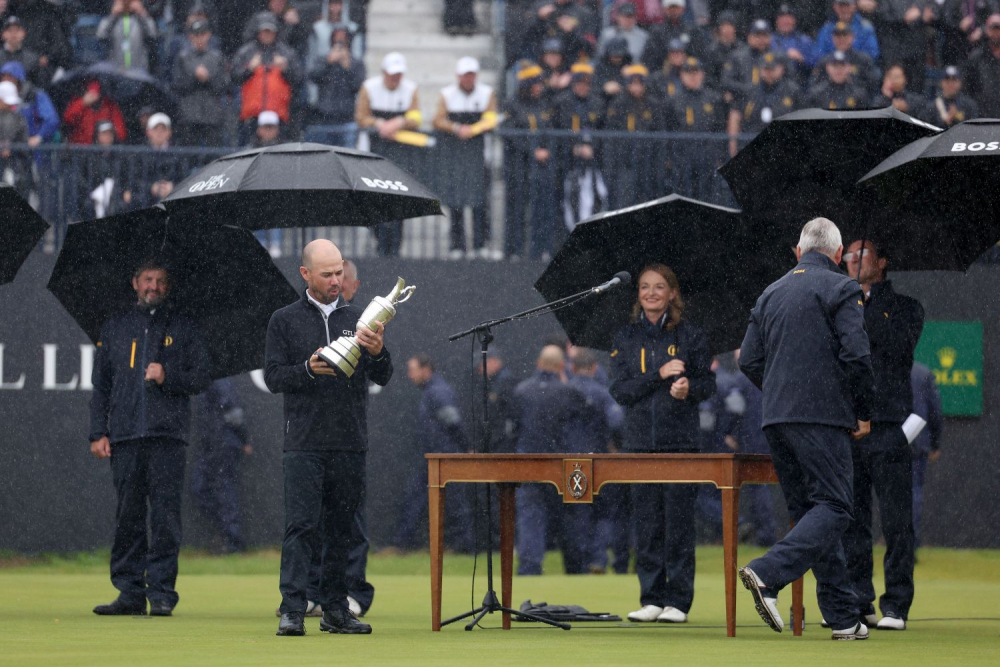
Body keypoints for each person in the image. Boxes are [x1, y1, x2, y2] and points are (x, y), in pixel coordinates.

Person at [737, 217, 875, 640]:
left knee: (812, 515)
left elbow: (747, 360)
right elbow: (856, 356)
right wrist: (863, 410)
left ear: (798, 252)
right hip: (822, 417)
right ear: (837, 255)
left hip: (776, 417)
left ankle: (842, 616)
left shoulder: (770, 292)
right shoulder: (842, 287)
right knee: (835, 508)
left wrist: (781, 389)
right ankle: (766, 572)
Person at [265, 239, 392, 637]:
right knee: (301, 526)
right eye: (327, 274)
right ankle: (293, 608)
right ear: (305, 275)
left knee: (341, 528)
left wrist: (378, 350)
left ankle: (336, 609)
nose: (336, 280)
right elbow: (273, 377)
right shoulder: (283, 320)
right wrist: (307, 368)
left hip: (349, 440)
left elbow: (384, 375)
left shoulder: (360, 317)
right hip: (303, 442)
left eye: (339, 272)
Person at [89, 258, 211, 616]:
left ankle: (160, 593)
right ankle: (128, 592)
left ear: (168, 286)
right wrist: (99, 431)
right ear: (134, 282)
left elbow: (201, 377)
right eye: (147, 279)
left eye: (159, 280)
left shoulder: (184, 326)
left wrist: (166, 375)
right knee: (127, 516)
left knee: (164, 518)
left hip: (167, 437)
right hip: (125, 436)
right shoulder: (114, 327)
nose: (153, 286)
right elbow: (101, 387)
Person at [610, 263, 715, 623]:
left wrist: (688, 390)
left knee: (679, 526)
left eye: (658, 287)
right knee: (647, 524)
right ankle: (651, 598)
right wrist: (657, 375)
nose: (651, 293)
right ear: (638, 294)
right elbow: (621, 392)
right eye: (644, 287)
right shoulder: (625, 337)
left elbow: (707, 385)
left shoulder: (691, 335)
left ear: (672, 292)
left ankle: (678, 602)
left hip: (680, 444)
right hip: (638, 445)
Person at [842, 238, 925, 631]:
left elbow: (893, 349)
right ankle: (859, 600)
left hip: (889, 429)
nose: (853, 260)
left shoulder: (906, 307)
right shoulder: (837, 302)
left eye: (863, 254)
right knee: (852, 522)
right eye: (848, 254)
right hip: (848, 430)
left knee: (896, 522)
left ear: (883, 262)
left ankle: (896, 605)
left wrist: (861, 305)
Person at [512, 345, 587, 574]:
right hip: (561, 465)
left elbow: (514, 428)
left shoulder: (522, 391)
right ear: (561, 366)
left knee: (530, 517)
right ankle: (575, 568)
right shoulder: (568, 392)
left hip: (529, 464)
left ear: (538, 363)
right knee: (570, 518)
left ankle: (530, 566)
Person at [391, 354, 474, 553]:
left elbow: (453, 421)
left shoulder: (438, 391)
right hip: (434, 457)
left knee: (455, 503)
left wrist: (466, 447)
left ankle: (467, 546)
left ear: (425, 369)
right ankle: (404, 543)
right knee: (424, 498)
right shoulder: (432, 391)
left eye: (412, 369)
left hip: (444, 457)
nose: (409, 375)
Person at [355, 51, 420, 257]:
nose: (395, 78)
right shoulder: (369, 88)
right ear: (383, 73)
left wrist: (398, 122)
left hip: (400, 151)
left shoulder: (410, 89)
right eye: (392, 74)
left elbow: (416, 116)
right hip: (375, 150)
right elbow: (361, 117)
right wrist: (380, 124)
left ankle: (394, 247)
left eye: (399, 74)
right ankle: (381, 240)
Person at [567, 348, 626, 574]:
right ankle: (598, 559)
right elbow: (617, 421)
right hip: (599, 460)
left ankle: (579, 563)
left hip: (570, 462)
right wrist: (614, 444)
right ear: (593, 368)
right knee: (603, 512)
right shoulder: (603, 393)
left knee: (578, 513)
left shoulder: (564, 391)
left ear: (572, 368)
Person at [432, 56, 497, 259]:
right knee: (455, 201)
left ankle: (480, 243)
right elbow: (438, 120)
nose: (469, 79)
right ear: (458, 76)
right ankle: (457, 244)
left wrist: (473, 129)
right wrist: (457, 128)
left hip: (479, 157)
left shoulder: (486, 94)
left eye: (472, 75)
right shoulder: (447, 95)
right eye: (465, 75)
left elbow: (491, 118)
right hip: (456, 157)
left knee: (480, 202)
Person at [503, 62, 557, 260]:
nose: (540, 87)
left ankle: (538, 249)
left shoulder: (543, 104)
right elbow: (511, 133)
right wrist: (531, 150)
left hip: (541, 167)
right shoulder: (512, 104)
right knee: (517, 208)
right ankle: (514, 250)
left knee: (540, 208)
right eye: (536, 84)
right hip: (519, 165)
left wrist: (546, 149)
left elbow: (549, 129)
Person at [191, 378, 251, 554]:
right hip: (210, 446)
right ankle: (226, 533)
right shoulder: (205, 378)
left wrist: (244, 438)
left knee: (225, 491)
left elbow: (233, 411)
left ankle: (233, 542)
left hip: (224, 444)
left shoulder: (219, 378)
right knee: (200, 488)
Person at [232, 12, 304, 143]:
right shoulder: (246, 52)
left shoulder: (287, 53)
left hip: (279, 116)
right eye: (264, 31)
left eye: (270, 31)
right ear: (258, 32)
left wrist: (286, 70)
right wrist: (249, 69)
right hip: (252, 116)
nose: (267, 34)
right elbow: (233, 77)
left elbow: (299, 79)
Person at [553, 62, 608, 230]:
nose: (583, 87)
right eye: (579, 83)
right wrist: (573, 147)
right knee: (568, 201)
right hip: (567, 162)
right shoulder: (562, 102)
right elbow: (557, 129)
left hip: (592, 161)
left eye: (586, 84)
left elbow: (603, 129)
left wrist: (593, 147)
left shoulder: (597, 103)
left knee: (596, 198)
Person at [603, 64, 663, 210]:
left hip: (648, 162)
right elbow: (611, 136)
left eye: (640, 83)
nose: (636, 87)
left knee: (648, 202)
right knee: (625, 203)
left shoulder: (653, 104)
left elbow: (660, 133)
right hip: (625, 163)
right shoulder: (618, 104)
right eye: (632, 83)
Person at [665, 57, 725, 201]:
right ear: (681, 75)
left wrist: (720, 154)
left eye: (696, 72)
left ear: (702, 74)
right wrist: (669, 156)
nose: (693, 76)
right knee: (682, 194)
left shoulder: (713, 98)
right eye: (688, 72)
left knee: (707, 196)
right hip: (682, 155)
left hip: (707, 154)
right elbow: (667, 129)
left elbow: (720, 127)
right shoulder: (673, 100)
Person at [727, 51, 801, 157]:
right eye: (766, 69)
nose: (769, 72)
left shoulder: (793, 91)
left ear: (781, 69)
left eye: (772, 69)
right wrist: (733, 147)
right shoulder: (749, 91)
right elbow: (735, 116)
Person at [171, 18, 230, 148]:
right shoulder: (182, 57)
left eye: (202, 34)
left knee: (212, 156)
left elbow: (224, 86)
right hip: (189, 115)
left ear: (208, 35)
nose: (199, 38)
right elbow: (177, 85)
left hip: (212, 116)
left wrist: (208, 78)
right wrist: (194, 77)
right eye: (196, 34)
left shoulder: (217, 57)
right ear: (190, 36)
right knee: (189, 156)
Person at [307, 24, 365, 148]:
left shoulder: (356, 63)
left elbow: (358, 86)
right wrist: (328, 62)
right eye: (336, 38)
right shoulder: (323, 59)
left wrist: (348, 67)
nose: (339, 42)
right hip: (324, 119)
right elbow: (312, 77)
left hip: (346, 119)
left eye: (343, 39)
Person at [909, 361, 943, 548]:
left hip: (892, 442)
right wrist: (935, 444)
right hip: (917, 443)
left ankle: (898, 542)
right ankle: (909, 545)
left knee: (892, 494)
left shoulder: (891, 369)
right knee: (914, 493)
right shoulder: (923, 373)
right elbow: (935, 410)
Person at [808, 21, 880, 97]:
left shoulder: (863, 60)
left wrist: (853, 86)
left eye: (845, 35)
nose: (841, 39)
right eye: (838, 36)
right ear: (832, 38)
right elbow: (813, 86)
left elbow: (873, 84)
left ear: (852, 37)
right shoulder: (824, 61)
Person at [97, 0, 159, 72]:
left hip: (139, 71)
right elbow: (101, 35)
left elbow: (153, 34)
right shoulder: (113, 20)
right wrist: (113, 15)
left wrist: (142, 13)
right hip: (115, 70)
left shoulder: (141, 20)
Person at [62, 80, 128, 145]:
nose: (93, 96)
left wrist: (108, 135)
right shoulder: (78, 102)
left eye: (96, 93)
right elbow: (68, 119)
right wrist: (82, 103)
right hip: (81, 149)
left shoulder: (110, 106)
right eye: (91, 93)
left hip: (104, 151)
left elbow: (121, 133)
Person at [814, 0, 880, 63]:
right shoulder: (827, 28)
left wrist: (850, 63)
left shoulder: (865, 28)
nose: (844, 9)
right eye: (841, 6)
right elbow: (820, 53)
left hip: (858, 69)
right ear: (835, 6)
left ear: (854, 6)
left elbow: (872, 54)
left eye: (847, 6)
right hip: (832, 68)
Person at [963, 13, 1000, 117]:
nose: (996, 33)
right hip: (982, 116)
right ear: (987, 30)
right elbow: (967, 88)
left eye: (999, 29)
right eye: (993, 28)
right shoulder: (976, 57)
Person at [0, 78, 29, 196]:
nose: (10, 106)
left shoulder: (19, 118)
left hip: (14, 166)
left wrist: (11, 148)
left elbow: (23, 142)